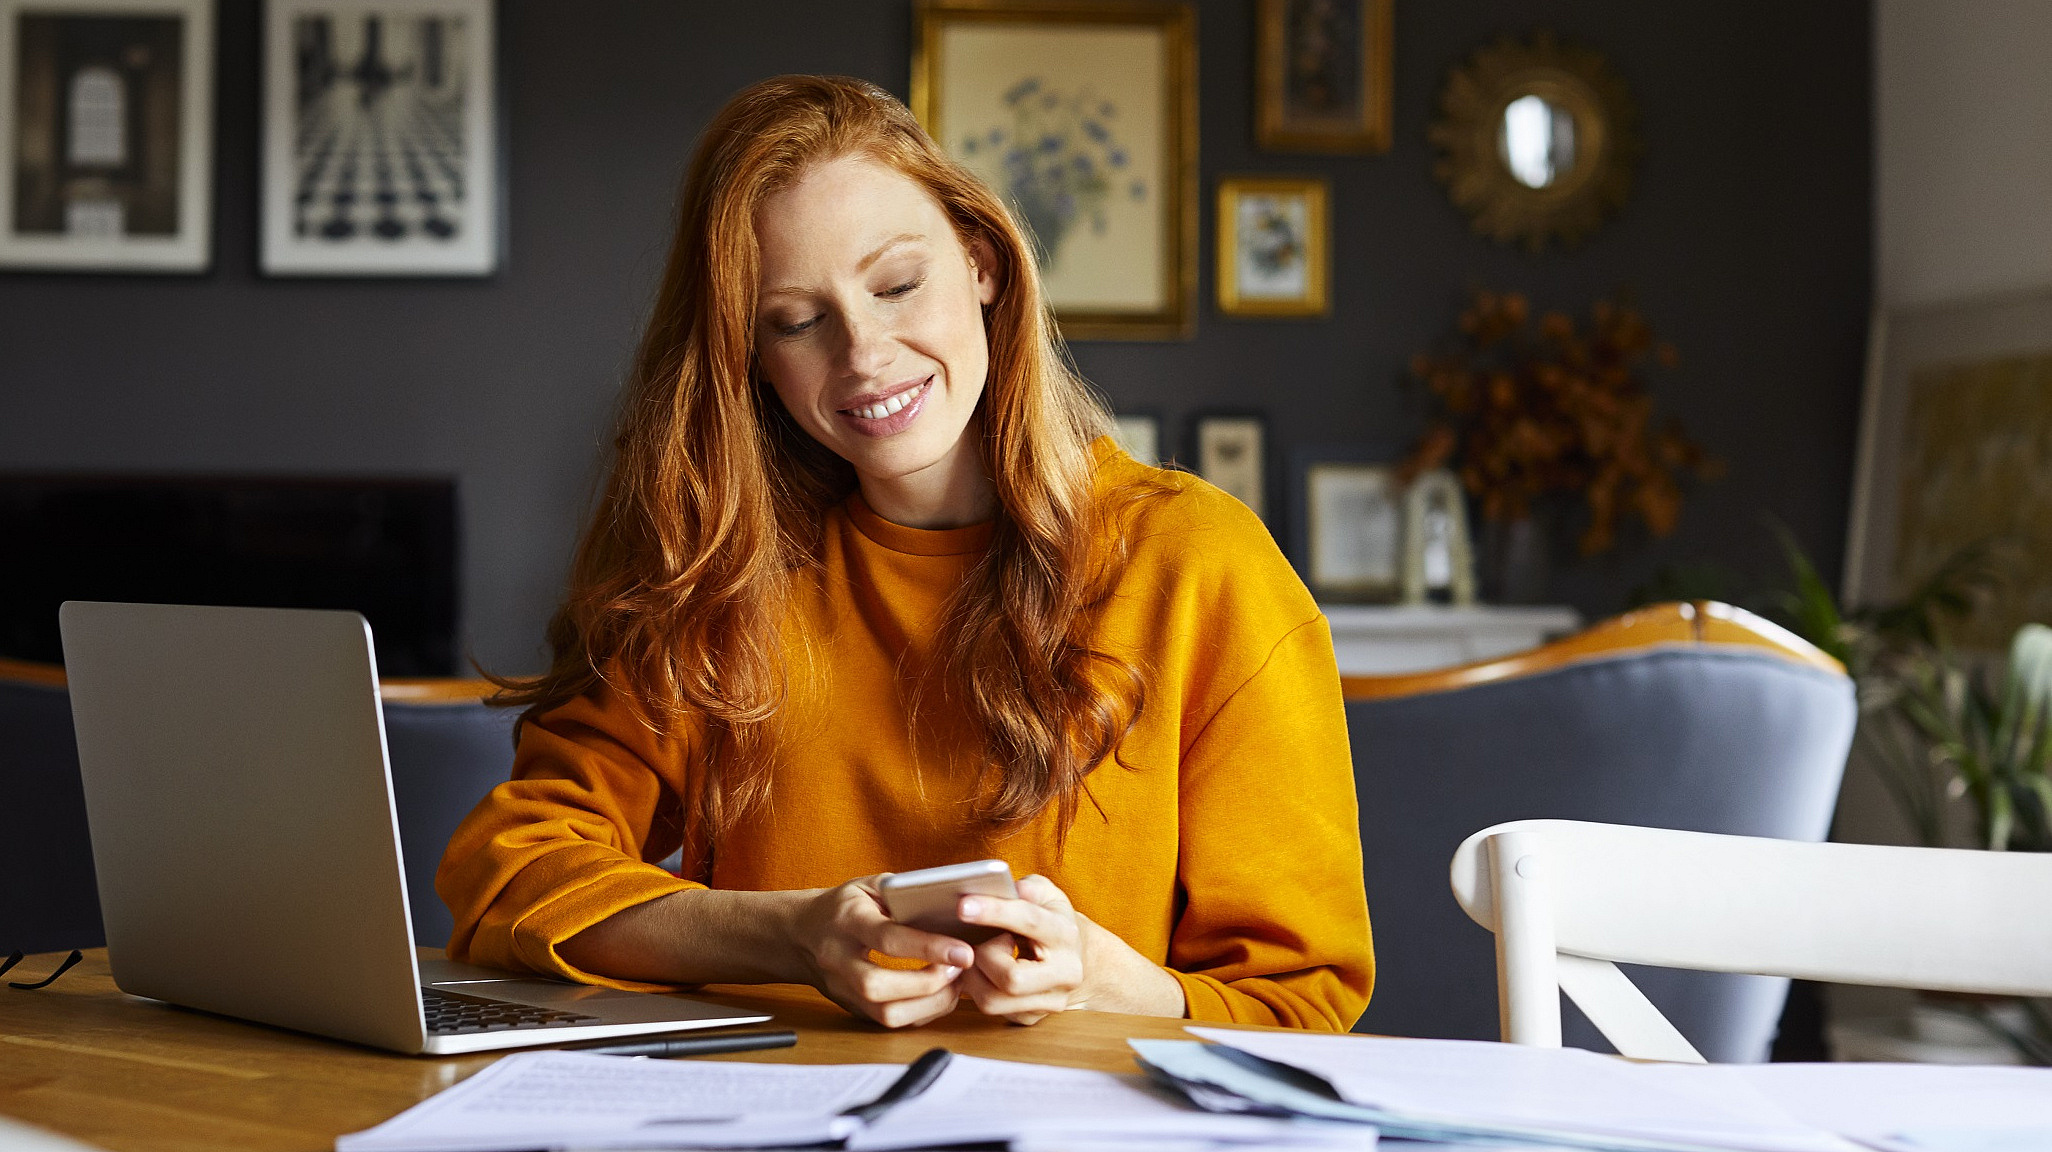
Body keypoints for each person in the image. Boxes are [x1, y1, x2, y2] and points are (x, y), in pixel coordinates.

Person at [437, 75, 1372, 1032]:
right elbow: (512, 872)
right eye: (797, 322)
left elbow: (1300, 1002)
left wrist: (1099, 977)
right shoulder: (728, 573)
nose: (864, 353)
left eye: (896, 285)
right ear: (751, 358)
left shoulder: (1198, 564)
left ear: (982, 265)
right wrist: (795, 936)